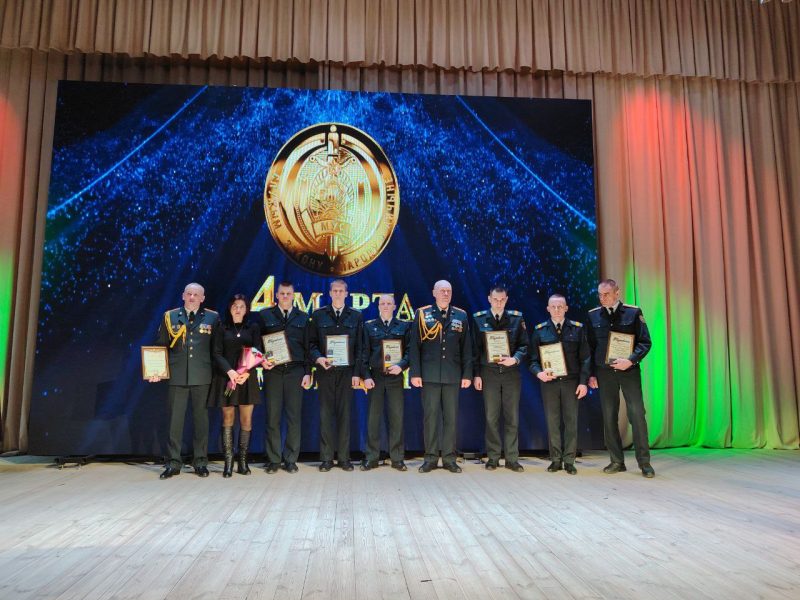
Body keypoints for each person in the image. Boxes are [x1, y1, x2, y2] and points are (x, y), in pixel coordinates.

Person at [586, 279, 655, 478]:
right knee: (609, 417)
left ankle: (645, 463)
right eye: (600, 295)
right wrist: (591, 374)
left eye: (606, 294)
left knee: (637, 415)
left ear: (617, 293)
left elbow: (645, 342)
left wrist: (631, 360)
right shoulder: (593, 315)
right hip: (604, 373)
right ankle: (616, 461)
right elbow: (590, 347)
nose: (602, 298)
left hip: (628, 371)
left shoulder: (633, 313)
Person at [150, 282, 219, 479]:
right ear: (183, 295)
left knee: (201, 422)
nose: (192, 297)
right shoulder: (170, 316)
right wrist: (155, 370)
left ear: (202, 298)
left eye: (196, 295)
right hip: (177, 376)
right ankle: (173, 462)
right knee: (175, 422)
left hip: (202, 376)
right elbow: (161, 345)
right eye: (189, 294)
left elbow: (216, 349)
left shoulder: (213, 317)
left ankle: (200, 462)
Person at [409, 280, 473, 473]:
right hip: (429, 376)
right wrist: (415, 373)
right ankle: (430, 458)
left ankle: (449, 459)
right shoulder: (422, 314)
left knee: (451, 419)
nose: (446, 294)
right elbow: (414, 346)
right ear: (434, 293)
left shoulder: (460, 315)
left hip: (452, 375)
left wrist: (467, 374)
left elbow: (466, 348)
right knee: (431, 419)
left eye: (448, 291)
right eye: (442, 290)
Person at [529, 294, 590, 475]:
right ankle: (555, 460)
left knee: (571, 422)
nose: (557, 310)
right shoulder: (540, 330)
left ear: (566, 308)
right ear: (548, 309)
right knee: (552, 422)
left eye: (560, 306)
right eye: (553, 307)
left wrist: (583, 383)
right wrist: (539, 373)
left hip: (571, 382)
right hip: (550, 383)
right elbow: (532, 360)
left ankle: (569, 461)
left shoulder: (577, 329)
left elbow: (585, 358)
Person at [257, 281, 312, 474]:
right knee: (272, 417)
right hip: (273, 371)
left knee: (293, 417)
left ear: (294, 295)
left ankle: (290, 459)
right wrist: (262, 360)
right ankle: (273, 460)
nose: (286, 296)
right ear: (277, 295)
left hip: (295, 371)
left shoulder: (303, 317)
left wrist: (308, 372)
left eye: (289, 293)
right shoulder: (265, 315)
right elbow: (258, 343)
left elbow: (308, 347)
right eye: (282, 293)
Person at [308, 279, 364, 472]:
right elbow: (311, 344)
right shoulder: (318, 315)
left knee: (344, 416)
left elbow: (360, 348)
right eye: (335, 290)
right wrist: (319, 358)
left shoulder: (356, 316)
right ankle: (326, 459)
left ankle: (344, 458)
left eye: (341, 291)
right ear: (330, 293)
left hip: (347, 373)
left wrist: (357, 373)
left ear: (346, 294)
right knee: (325, 415)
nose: (338, 293)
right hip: (325, 372)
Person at [472, 285, 528, 472]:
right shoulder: (479, 319)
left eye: (502, 299)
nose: (498, 303)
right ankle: (493, 457)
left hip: (511, 374)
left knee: (512, 417)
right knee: (491, 417)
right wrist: (477, 375)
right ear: (489, 299)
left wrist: (515, 359)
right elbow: (475, 350)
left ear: (506, 299)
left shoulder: (516, 318)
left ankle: (512, 458)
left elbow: (524, 346)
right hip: (489, 374)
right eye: (495, 299)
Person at [208, 294, 262, 477]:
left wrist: (246, 372)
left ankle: (243, 462)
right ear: (230, 308)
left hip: (247, 379)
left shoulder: (253, 327)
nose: (238, 309)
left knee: (246, 420)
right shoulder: (221, 327)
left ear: (247, 309)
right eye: (234, 306)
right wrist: (230, 372)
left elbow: (257, 351)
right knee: (228, 418)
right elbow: (216, 353)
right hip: (226, 377)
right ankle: (228, 462)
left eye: (241, 306)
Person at [360, 294, 412, 471]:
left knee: (396, 417)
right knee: (373, 419)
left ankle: (397, 458)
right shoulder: (369, 326)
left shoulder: (403, 326)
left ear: (395, 306)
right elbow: (364, 354)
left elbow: (409, 352)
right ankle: (371, 457)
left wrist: (402, 366)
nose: (386, 306)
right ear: (378, 306)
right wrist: (366, 376)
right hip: (375, 377)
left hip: (395, 377)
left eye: (389, 303)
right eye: (382, 303)